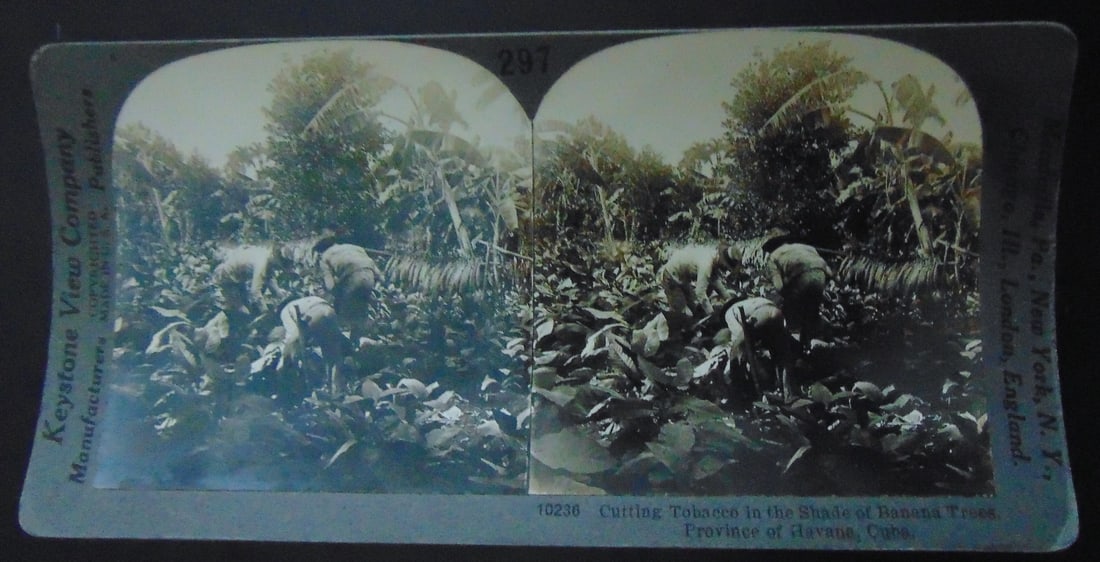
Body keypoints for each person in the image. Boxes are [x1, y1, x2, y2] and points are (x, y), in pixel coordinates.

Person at [277, 296, 349, 396]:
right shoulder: (307, 299)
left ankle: (294, 388)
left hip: (314, 314)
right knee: (333, 360)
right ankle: (336, 390)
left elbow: (293, 339)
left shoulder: (285, 311)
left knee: (291, 351)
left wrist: (285, 364)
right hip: (330, 313)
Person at [724, 297, 795, 396]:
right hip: (777, 315)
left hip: (762, 315)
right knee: (781, 358)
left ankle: (737, 393)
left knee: (737, 351)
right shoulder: (753, 301)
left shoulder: (729, 313)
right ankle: (787, 392)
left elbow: (740, 340)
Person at [765, 243, 831, 346]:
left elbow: (779, 286)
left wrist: (785, 299)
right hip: (820, 272)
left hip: (799, 277)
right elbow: (829, 273)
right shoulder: (807, 247)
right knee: (812, 311)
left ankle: (797, 344)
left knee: (794, 314)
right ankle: (817, 342)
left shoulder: (773, 257)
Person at [659, 243, 740, 321]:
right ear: (722, 261)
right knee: (681, 312)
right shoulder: (706, 265)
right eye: (725, 266)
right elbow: (700, 293)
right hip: (671, 276)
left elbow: (715, 281)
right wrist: (711, 314)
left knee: (694, 308)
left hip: (683, 277)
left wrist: (728, 298)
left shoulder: (713, 258)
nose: (725, 269)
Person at [317, 243, 383, 338]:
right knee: (361, 309)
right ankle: (360, 338)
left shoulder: (325, 257)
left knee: (345, 313)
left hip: (352, 278)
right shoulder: (356, 248)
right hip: (369, 276)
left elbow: (330, 286)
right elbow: (379, 276)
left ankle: (345, 339)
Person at [212, 244, 290, 317]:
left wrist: (278, 293)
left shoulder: (267, 256)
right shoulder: (261, 263)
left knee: (248, 304)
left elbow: (270, 277)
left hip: (239, 278)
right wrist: (265, 312)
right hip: (226, 279)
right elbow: (255, 291)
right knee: (243, 311)